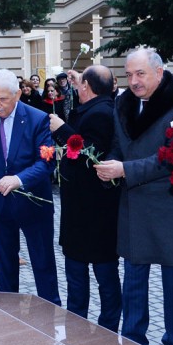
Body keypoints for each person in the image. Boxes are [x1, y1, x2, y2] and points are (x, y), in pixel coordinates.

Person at [94, 49, 173, 345]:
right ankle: (133, 340)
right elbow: (118, 143)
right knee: (134, 282)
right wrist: (108, 166)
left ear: (159, 71)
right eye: (129, 75)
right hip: (136, 206)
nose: (134, 81)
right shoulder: (122, 102)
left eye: (140, 74)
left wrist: (124, 170)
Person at [0, 69, 61, 305]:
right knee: (5, 266)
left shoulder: (37, 118)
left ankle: (51, 314)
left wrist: (19, 179)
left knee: (43, 263)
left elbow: (46, 162)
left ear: (17, 94)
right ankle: (10, 314)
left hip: (33, 202)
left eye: (3, 99)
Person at [49, 66, 121, 329]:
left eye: (81, 83)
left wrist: (62, 130)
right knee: (78, 274)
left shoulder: (101, 113)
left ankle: (106, 327)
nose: (77, 86)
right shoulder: (96, 107)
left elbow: (91, 154)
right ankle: (78, 323)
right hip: (82, 209)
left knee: (103, 274)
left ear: (88, 87)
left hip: (94, 211)